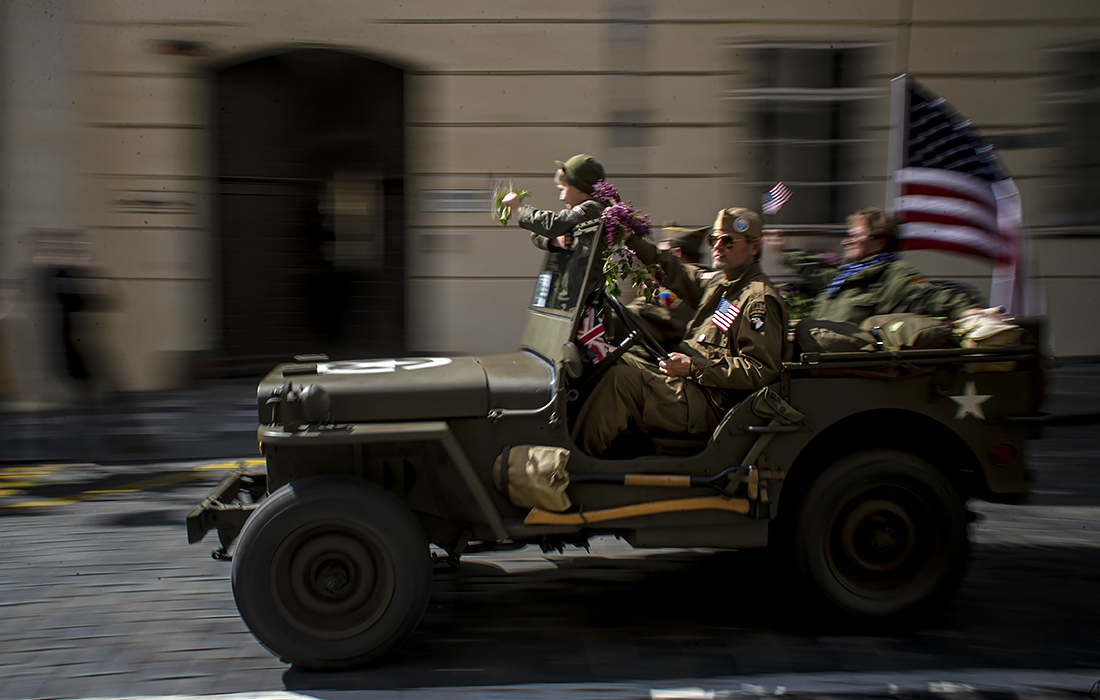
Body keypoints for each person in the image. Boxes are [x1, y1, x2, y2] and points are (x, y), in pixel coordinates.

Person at [571, 207, 788, 458]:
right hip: (688, 385)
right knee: (605, 359)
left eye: (727, 241)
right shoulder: (720, 283)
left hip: (709, 402)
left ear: (754, 246)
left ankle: (573, 468)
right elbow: (671, 270)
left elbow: (760, 369)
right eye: (714, 240)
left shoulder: (758, 299)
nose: (718, 247)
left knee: (621, 381)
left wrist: (692, 367)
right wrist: (631, 239)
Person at [766, 207, 988, 325]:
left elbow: (933, 297)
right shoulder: (845, 275)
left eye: (855, 236)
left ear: (879, 241)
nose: (846, 241)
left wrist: (967, 311)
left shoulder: (893, 275)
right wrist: (784, 252)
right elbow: (816, 271)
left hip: (848, 370)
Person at [623, 223, 708, 348]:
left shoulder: (675, 294)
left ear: (676, 254)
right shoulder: (677, 289)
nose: (650, 266)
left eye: (662, 253)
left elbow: (639, 314)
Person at [501, 154, 606, 253]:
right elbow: (537, 235)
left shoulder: (592, 208)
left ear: (578, 187)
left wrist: (520, 208)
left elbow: (553, 225)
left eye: (563, 189)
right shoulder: (578, 213)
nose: (561, 197)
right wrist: (556, 240)